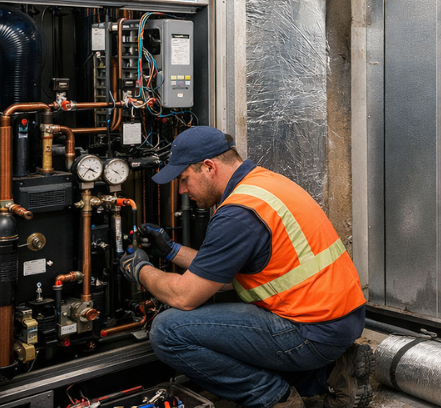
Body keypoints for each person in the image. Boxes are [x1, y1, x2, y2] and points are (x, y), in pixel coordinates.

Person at [119, 126, 371, 408]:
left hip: (311, 332)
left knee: (168, 330)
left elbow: (184, 296)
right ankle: (327, 375)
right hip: (340, 319)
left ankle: (275, 398)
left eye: (184, 178)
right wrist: (172, 250)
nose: (182, 190)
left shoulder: (238, 214)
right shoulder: (263, 185)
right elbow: (220, 274)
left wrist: (139, 268)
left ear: (208, 167)